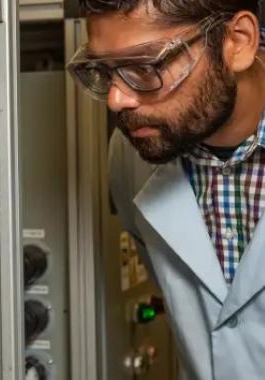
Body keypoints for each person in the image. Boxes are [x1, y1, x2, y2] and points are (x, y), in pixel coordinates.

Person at [68, 1, 265, 379]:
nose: (116, 100)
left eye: (145, 67)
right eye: (105, 71)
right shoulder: (131, 156)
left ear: (237, 42)